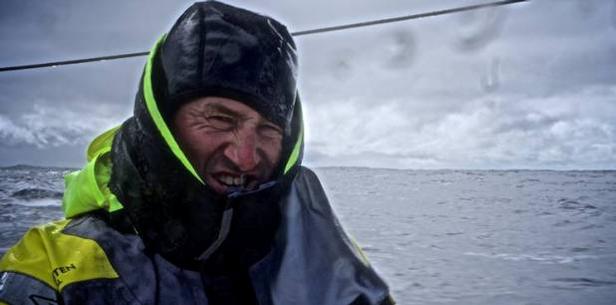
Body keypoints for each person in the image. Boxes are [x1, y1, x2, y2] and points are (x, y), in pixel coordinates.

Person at [0, 2, 394, 305]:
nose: (244, 157)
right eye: (219, 119)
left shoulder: (317, 249)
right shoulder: (53, 265)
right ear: (163, 124)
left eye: (269, 130)